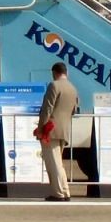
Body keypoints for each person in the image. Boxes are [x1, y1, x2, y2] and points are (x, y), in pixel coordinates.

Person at [35, 61, 79, 201]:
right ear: (66, 72)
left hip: (51, 130)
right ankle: (65, 191)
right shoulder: (73, 88)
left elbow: (47, 109)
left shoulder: (54, 85)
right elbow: (75, 109)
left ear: (54, 73)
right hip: (64, 129)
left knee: (53, 163)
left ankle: (58, 193)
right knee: (58, 162)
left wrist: (41, 128)